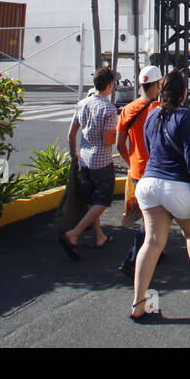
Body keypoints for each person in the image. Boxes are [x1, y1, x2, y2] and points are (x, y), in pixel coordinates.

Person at [131, 71, 190, 320]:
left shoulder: (151, 114)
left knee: (152, 242)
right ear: (184, 93)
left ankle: (138, 303)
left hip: (148, 185)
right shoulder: (184, 117)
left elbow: (150, 149)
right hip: (177, 187)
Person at [60, 67, 119, 259]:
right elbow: (108, 140)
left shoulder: (82, 104)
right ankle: (74, 233)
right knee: (103, 199)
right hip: (101, 160)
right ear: (109, 85)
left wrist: (73, 154)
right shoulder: (109, 109)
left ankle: (99, 236)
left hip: (84, 158)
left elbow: (71, 133)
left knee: (92, 198)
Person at [116, 65, 161, 276]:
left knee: (148, 216)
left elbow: (119, 144)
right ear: (157, 85)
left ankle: (156, 251)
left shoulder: (127, 109)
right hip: (154, 171)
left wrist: (130, 161)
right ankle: (131, 259)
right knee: (151, 220)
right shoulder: (158, 109)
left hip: (136, 171)